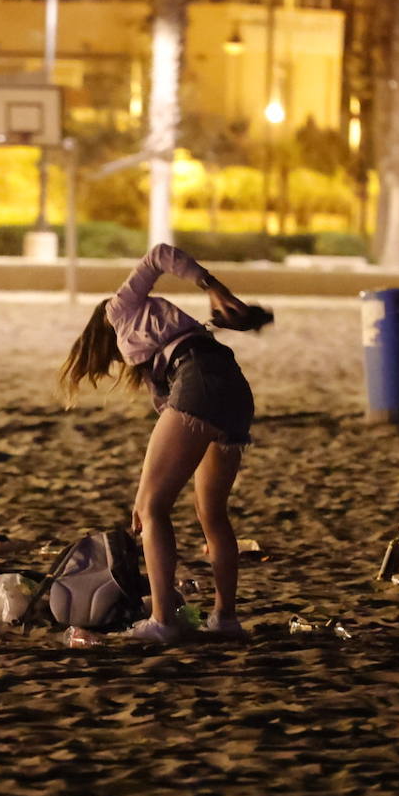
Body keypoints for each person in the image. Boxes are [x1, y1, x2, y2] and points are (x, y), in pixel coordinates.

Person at [59, 243, 264, 643]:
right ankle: (225, 618)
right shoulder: (167, 337)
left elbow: (158, 255)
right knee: (212, 514)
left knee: (151, 507)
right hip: (233, 388)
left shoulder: (117, 311)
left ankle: (163, 621)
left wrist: (212, 286)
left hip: (199, 381)